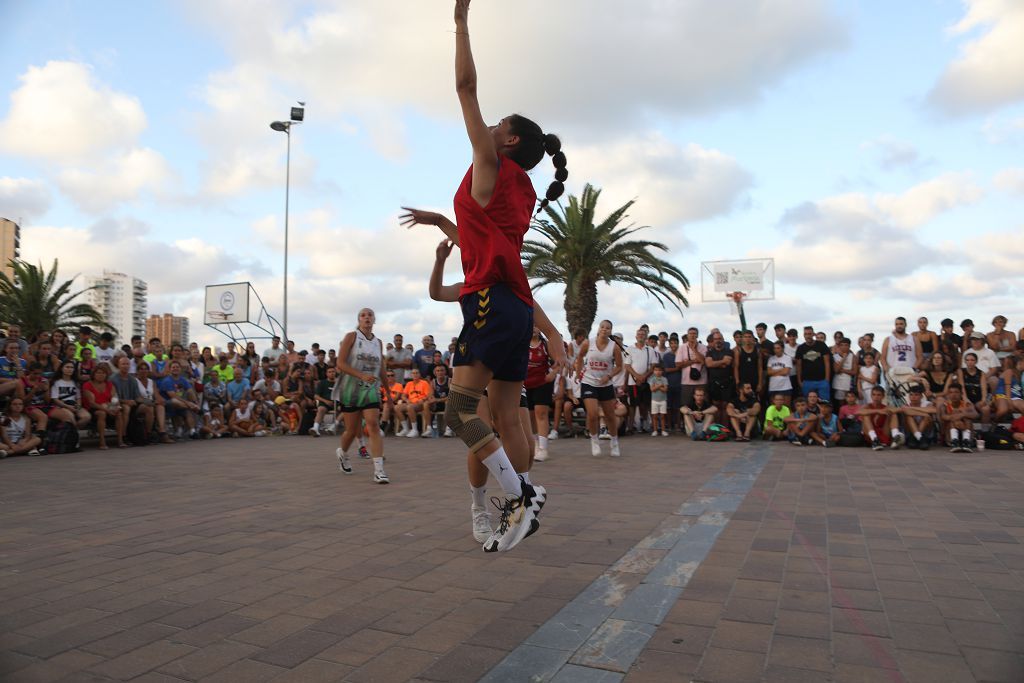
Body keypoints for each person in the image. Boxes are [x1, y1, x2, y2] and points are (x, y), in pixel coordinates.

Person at [333, 308, 392, 484]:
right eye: (363, 315)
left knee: (373, 424)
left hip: (370, 388)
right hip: (350, 388)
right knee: (351, 431)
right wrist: (360, 375)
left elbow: (381, 368)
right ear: (359, 320)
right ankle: (342, 453)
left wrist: (388, 393)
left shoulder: (378, 342)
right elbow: (340, 363)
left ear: (374, 319)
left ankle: (379, 471)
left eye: (370, 315)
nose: (367, 317)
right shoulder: (351, 336)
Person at [576, 320, 624, 457]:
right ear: (598, 329)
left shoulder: (614, 347)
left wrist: (608, 376)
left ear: (611, 331)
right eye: (602, 327)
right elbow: (579, 357)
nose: (604, 329)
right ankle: (594, 440)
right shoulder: (588, 343)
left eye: (608, 328)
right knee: (592, 414)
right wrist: (578, 373)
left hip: (606, 384)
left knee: (610, 415)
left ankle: (614, 442)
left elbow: (619, 366)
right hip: (589, 381)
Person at [524, 328, 556, 459]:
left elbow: (559, 361)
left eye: (536, 326)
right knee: (530, 416)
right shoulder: (521, 343)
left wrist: (553, 373)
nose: (533, 329)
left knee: (541, 413)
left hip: (543, 382)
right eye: (530, 325)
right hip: (525, 384)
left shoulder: (546, 345)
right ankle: (536, 443)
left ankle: (543, 448)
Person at [879, 317, 922, 406]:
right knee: (893, 400)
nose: (899, 326)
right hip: (894, 373)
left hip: (909, 373)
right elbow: (882, 358)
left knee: (910, 399)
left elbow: (920, 357)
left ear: (905, 325)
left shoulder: (914, 339)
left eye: (901, 324)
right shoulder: (888, 339)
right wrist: (887, 370)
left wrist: (914, 369)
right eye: (897, 324)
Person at [624, 327, 658, 433]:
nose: (641, 336)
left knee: (645, 404)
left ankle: (645, 424)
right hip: (632, 382)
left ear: (646, 337)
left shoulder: (650, 350)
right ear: (635, 336)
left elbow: (653, 366)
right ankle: (630, 426)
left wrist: (644, 376)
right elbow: (627, 365)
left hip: (647, 381)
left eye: (643, 334)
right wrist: (637, 376)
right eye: (639, 334)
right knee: (632, 405)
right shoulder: (629, 349)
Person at [82, 362, 123, 449]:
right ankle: (102, 441)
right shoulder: (87, 385)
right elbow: (92, 403)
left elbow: (115, 398)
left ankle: (120, 441)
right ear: (94, 374)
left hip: (108, 406)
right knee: (102, 413)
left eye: (103, 373)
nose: (101, 375)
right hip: (93, 408)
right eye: (98, 373)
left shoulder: (109, 385)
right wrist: (107, 410)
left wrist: (115, 407)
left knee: (119, 413)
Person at [158, 360, 200, 440]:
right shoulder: (167, 380)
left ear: (180, 369)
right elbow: (173, 396)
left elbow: (190, 390)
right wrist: (189, 404)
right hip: (167, 404)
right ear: (170, 369)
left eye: (177, 367)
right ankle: (194, 408)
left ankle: (192, 431)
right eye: (173, 367)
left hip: (180, 404)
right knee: (176, 402)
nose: (175, 369)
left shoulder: (183, 379)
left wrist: (195, 402)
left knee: (187, 406)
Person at [50, 360, 90, 429]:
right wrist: (68, 407)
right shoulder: (56, 382)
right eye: (67, 367)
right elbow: (55, 399)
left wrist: (77, 407)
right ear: (62, 368)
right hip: (62, 405)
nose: (70, 369)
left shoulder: (75, 382)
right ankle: (73, 433)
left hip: (74, 404)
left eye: (72, 367)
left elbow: (78, 398)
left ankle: (73, 431)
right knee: (71, 417)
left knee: (87, 417)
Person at [796, 326, 832, 401]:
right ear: (804, 335)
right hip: (807, 381)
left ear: (813, 334)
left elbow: (827, 362)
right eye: (806, 334)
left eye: (810, 334)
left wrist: (827, 379)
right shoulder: (800, 348)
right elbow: (798, 366)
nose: (808, 336)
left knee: (824, 403)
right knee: (808, 403)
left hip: (822, 381)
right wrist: (799, 381)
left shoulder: (821, 345)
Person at [940, 383, 978, 452]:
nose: (953, 395)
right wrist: (957, 419)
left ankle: (966, 442)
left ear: (961, 393)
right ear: (948, 394)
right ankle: (954, 442)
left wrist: (962, 414)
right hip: (950, 433)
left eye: (956, 392)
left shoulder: (967, 404)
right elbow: (943, 417)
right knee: (953, 416)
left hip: (965, 428)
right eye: (951, 392)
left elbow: (976, 414)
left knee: (967, 417)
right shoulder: (944, 405)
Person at [676, 327, 707, 412]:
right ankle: (686, 424)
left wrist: (694, 349)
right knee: (685, 406)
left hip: (701, 382)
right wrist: (693, 361)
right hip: (686, 382)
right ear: (687, 335)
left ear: (697, 335)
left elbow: (703, 361)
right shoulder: (682, 347)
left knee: (702, 406)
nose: (692, 335)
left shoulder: (703, 347)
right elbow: (678, 364)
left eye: (694, 333)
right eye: (691, 333)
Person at [897, 385, 936, 450]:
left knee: (927, 417)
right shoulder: (906, 405)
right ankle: (919, 438)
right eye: (911, 395)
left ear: (921, 396)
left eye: (916, 395)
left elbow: (934, 410)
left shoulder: (927, 403)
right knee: (909, 417)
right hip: (910, 434)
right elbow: (907, 412)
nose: (913, 397)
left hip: (925, 433)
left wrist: (912, 408)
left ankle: (917, 437)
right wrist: (924, 413)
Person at [396, 367, 432, 438]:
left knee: (410, 407)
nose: (415, 375)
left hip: (420, 403)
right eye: (413, 373)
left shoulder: (424, 383)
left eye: (417, 373)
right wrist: (406, 400)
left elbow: (428, 395)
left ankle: (414, 430)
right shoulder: (409, 384)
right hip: (410, 402)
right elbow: (403, 395)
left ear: (419, 375)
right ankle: (405, 429)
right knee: (396, 408)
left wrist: (423, 399)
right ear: (411, 375)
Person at [957, 352, 992, 425]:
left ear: (976, 361)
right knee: (965, 409)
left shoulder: (981, 373)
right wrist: (965, 399)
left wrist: (983, 400)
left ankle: (985, 431)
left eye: (972, 360)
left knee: (986, 409)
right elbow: (961, 387)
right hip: (966, 398)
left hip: (978, 398)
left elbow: (984, 388)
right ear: (965, 361)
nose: (970, 362)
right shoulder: (961, 371)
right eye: (967, 360)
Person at [860, 386, 898, 451]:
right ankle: (875, 440)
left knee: (892, 413)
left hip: (883, 432)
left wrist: (885, 410)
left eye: (879, 395)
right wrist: (878, 411)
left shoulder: (886, 407)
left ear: (883, 396)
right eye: (874, 394)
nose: (876, 397)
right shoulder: (867, 406)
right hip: (869, 434)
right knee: (865, 414)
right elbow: (857, 412)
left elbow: (900, 410)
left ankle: (896, 437)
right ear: (871, 396)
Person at [705, 332, 734, 414]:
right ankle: (716, 426)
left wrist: (715, 363)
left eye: (719, 338)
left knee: (725, 406)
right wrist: (722, 362)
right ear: (713, 341)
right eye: (716, 339)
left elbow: (727, 363)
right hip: (713, 383)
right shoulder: (709, 352)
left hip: (726, 382)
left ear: (723, 340)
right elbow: (708, 364)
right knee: (715, 406)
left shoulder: (729, 351)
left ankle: (724, 427)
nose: (718, 341)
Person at [733, 330, 763, 401]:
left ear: (753, 338)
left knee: (755, 400)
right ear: (742, 338)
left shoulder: (758, 351)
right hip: (743, 379)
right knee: (743, 399)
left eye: (749, 337)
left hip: (754, 379)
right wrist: (737, 381)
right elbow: (736, 367)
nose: (747, 339)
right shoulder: (738, 351)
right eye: (745, 337)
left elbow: (760, 367)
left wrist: (760, 383)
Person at [831, 337, 858, 408]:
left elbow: (854, 372)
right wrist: (844, 358)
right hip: (838, 383)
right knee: (840, 403)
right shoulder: (835, 356)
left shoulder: (853, 357)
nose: (844, 347)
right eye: (842, 345)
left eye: (846, 345)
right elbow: (836, 370)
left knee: (849, 402)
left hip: (848, 383)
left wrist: (842, 370)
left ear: (849, 346)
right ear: (839, 346)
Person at [662, 336, 682, 432]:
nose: (674, 345)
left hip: (680, 384)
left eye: (675, 343)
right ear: (669, 345)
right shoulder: (666, 356)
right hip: (669, 384)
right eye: (672, 343)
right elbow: (666, 370)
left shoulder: (681, 354)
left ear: (678, 344)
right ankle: (669, 425)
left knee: (678, 407)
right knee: (669, 407)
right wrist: (678, 368)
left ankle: (678, 425)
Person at [310, 366, 337, 437]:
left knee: (346, 409)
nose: (332, 373)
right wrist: (326, 401)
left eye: (333, 372)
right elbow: (316, 396)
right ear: (326, 374)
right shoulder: (322, 383)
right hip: (325, 403)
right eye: (329, 372)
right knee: (321, 409)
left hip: (337, 403)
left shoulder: (338, 383)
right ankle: (315, 428)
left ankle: (333, 426)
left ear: (335, 373)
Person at [428, 363, 453, 438]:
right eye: (438, 371)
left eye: (442, 370)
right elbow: (430, 395)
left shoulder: (450, 381)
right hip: (437, 404)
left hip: (448, 404)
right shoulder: (433, 382)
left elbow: (452, 396)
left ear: (445, 372)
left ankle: (449, 429)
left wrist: (437, 400)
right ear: (435, 373)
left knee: (448, 402)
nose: (440, 372)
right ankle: (428, 429)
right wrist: (431, 399)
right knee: (426, 404)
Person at [765, 341, 793, 407]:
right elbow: (769, 372)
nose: (776, 350)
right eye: (775, 348)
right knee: (774, 408)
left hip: (785, 386)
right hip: (773, 387)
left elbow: (786, 372)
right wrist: (780, 369)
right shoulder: (771, 359)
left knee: (786, 408)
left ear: (782, 348)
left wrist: (774, 371)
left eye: (778, 348)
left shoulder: (787, 358)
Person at [648, 364, 669, 437]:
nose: (658, 372)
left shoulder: (664, 379)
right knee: (655, 416)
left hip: (663, 400)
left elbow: (665, 390)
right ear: (653, 371)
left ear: (662, 371)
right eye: (656, 370)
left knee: (663, 416)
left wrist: (657, 386)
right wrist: (660, 386)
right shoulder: (652, 379)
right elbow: (652, 389)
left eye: (659, 370)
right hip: (654, 400)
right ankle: (655, 430)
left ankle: (663, 430)